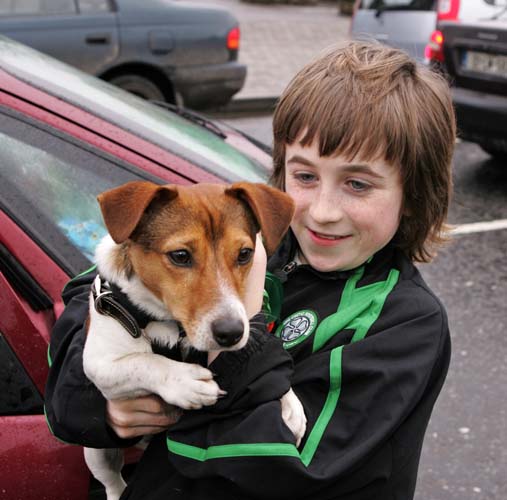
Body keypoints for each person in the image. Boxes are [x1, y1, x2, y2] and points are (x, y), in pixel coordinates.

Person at [45, 41, 456, 500]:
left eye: (357, 184)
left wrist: (247, 315)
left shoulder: (405, 323)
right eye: (304, 176)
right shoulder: (250, 238)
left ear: (415, 194)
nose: (321, 212)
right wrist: (100, 406)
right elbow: (92, 296)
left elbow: (292, 465)